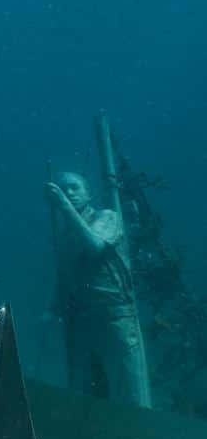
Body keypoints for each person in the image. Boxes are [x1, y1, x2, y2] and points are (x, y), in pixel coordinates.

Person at [46, 171, 151, 407]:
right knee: (86, 392)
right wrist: (52, 310)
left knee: (129, 390)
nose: (69, 193)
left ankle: (140, 435)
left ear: (88, 193)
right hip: (83, 319)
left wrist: (63, 205)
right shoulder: (65, 236)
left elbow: (94, 245)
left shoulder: (107, 218)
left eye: (74, 188)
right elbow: (66, 276)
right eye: (64, 189)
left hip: (116, 316)